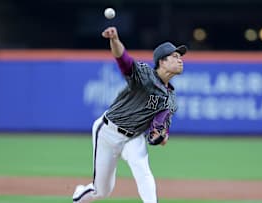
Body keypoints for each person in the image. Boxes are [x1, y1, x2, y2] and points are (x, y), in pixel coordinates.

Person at [72, 26, 187, 203]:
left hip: (133, 138)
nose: (180, 61)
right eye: (175, 57)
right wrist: (114, 39)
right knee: (101, 192)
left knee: (143, 170)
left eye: (181, 57)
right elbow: (124, 61)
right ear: (162, 62)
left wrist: (161, 136)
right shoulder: (145, 75)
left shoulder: (170, 98)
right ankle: (79, 196)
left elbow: (159, 126)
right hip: (108, 132)